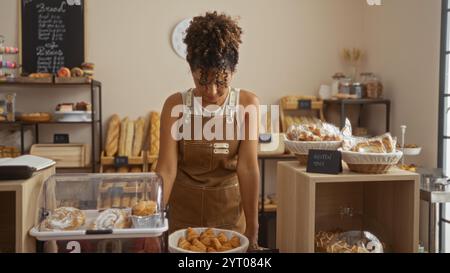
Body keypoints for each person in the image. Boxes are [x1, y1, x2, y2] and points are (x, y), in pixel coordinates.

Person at [156, 11, 260, 250]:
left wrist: (253, 227)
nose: (211, 91)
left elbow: (248, 168)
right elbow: (167, 170)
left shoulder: (247, 105)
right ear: (191, 69)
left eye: (221, 81)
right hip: (182, 225)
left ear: (233, 71)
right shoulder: (175, 106)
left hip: (230, 223)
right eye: (202, 81)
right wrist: (154, 223)